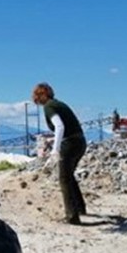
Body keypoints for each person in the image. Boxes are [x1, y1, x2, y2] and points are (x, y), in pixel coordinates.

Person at [32, 83, 86, 225]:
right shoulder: (59, 104)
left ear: (40, 96)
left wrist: (55, 149)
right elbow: (67, 127)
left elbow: (59, 126)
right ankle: (80, 208)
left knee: (63, 179)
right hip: (80, 141)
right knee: (69, 175)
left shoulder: (49, 106)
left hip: (70, 144)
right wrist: (53, 140)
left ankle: (72, 216)